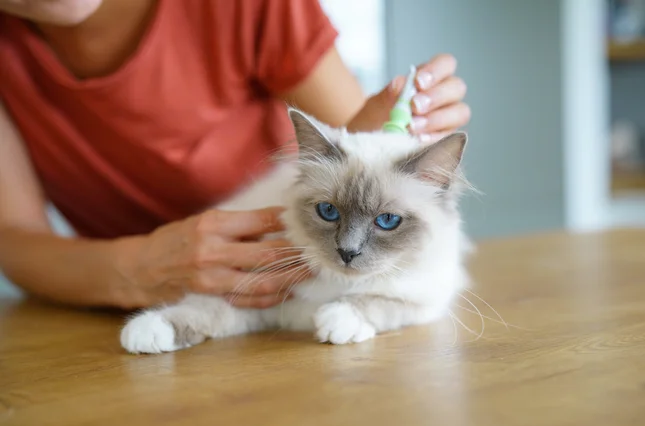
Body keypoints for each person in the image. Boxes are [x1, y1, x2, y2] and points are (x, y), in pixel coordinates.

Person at [0, 0, 470, 310]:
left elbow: (357, 152)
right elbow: (14, 239)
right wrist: (140, 269)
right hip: (108, 307)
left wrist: (387, 131)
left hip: (282, 293)